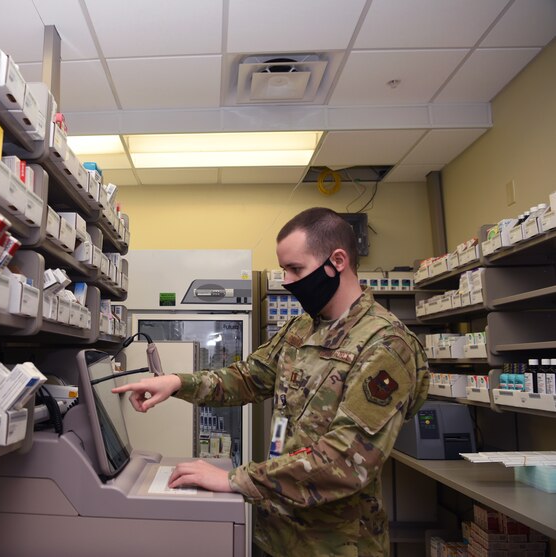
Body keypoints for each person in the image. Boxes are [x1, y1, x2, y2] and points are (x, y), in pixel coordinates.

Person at [112, 207, 430, 557]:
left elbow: (345, 462)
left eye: (296, 269)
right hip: (275, 534)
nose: (288, 281)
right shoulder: (301, 329)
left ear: (337, 260)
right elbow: (248, 378)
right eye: (283, 270)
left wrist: (234, 479)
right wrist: (176, 382)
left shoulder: (386, 345)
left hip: (334, 545)